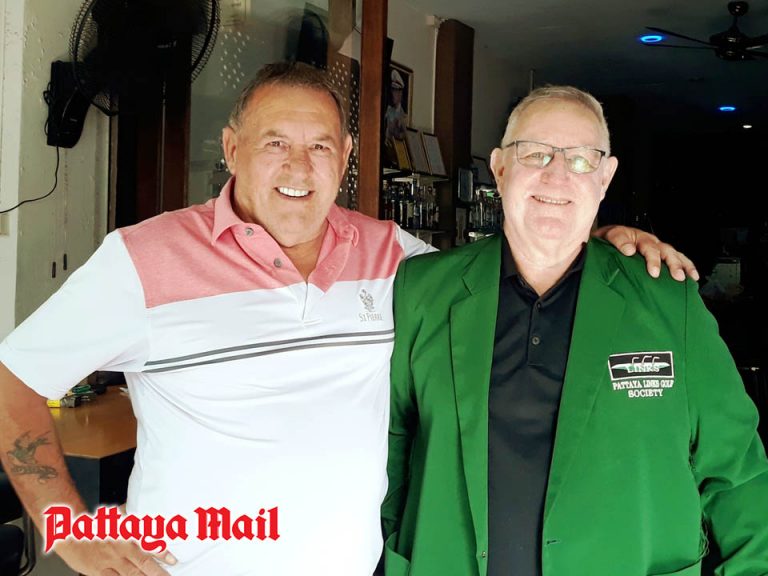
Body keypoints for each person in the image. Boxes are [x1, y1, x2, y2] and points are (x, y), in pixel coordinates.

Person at [0, 63, 694, 576]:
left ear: (347, 157)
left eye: (321, 146)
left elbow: (507, 268)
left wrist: (599, 241)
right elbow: (12, 382)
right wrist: (68, 527)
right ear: (232, 148)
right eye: (275, 143)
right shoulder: (143, 258)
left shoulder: (393, 256)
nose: (299, 167)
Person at [382, 86, 768, 576]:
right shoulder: (421, 289)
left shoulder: (670, 301)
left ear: (605, 179)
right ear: (499, 168)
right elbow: (389, 449)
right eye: (535, 153)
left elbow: (738, 472)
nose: (557, 174)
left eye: (582, 159)